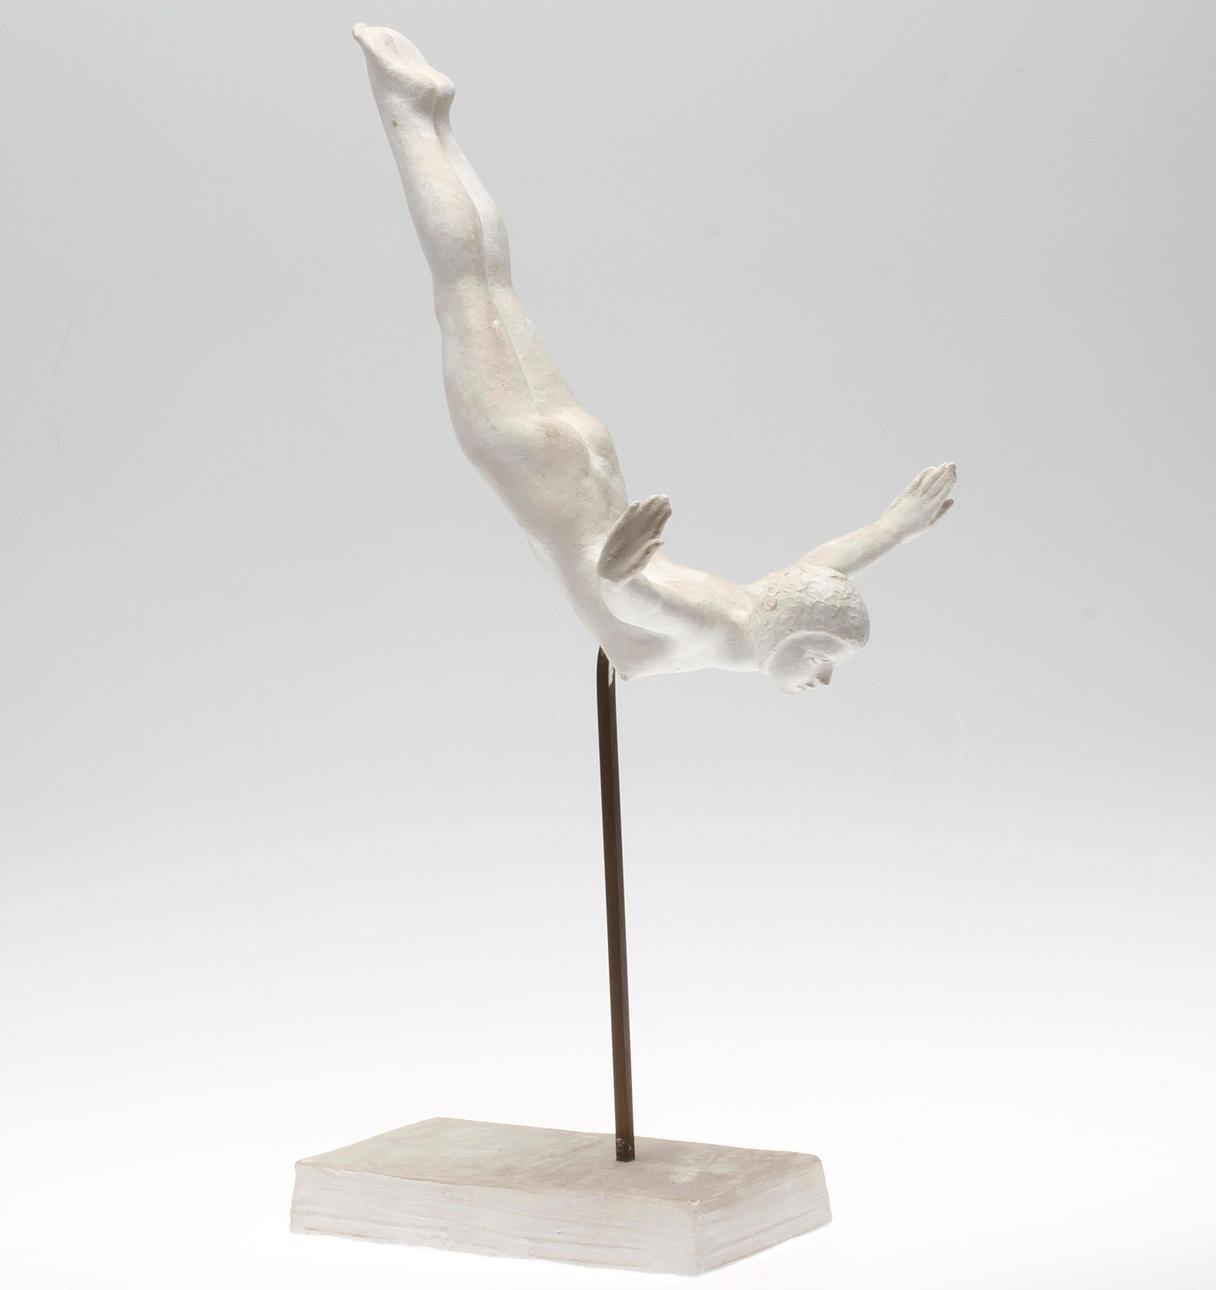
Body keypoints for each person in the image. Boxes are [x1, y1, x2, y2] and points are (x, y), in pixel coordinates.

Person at [353, 24, 956, 693]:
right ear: (791, 633)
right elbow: (630, 599)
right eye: (823, 658)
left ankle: (430, 115)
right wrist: (619, 567)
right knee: (468, 285)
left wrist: (892, 530)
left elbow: (813, 572)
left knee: (485, 283)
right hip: (547, 474)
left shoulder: (758, 606)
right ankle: (413, 111)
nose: (824, 678)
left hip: (581, 475)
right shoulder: (719, 630)